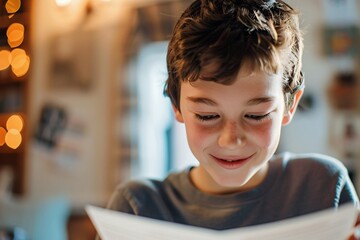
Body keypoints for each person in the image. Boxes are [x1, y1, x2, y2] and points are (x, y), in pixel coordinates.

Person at [105, 0, 359, 237]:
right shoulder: (136, 207)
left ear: (289, 105)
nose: (231, 140)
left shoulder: (323, 186)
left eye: (255, 115)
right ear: (176, 106)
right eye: (207, 116)